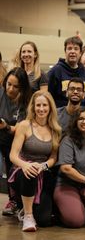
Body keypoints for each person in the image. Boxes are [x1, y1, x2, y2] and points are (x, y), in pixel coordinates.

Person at [9, 91, 61, 231]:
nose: (41, 109)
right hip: (22, 170)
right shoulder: (25, 125)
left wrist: (43, 166)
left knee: (44, 220)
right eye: (38, 105)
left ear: (50, 107)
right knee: (30, 172)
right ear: (33, 107)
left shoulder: (56, 129)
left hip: (43, 172)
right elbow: (13, 155)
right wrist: (26, 165)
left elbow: (53, 158)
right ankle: (28, 215)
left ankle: (24, 209)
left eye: (45, 105)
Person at [0, 67, 32, 216]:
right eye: (8, 84)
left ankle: (14, 200)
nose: (10, 89)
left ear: (22, 87)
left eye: (15, 86)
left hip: (14, 139)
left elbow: (19, 128)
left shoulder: (26, 102)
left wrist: (5, 126)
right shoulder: (1, 93)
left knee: (11, 167)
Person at [48, 36, 85, 108]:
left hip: (81, 116)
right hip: (60, 116)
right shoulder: (55, 71)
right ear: (65, 51)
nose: (72, 51)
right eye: (69, 48)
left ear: (80, 52)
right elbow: (49, 97)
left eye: (76, 49)